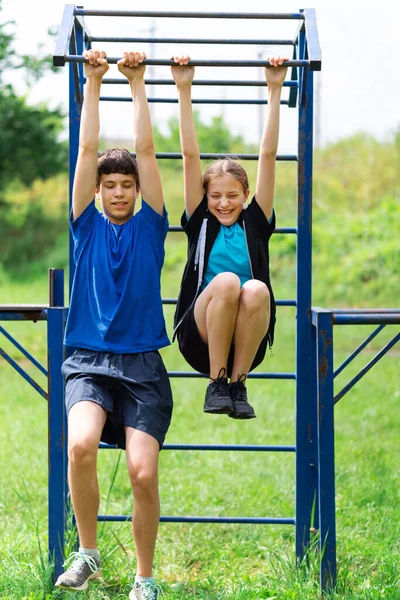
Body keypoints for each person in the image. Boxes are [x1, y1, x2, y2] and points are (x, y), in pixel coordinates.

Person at [55, 49, 172, 600]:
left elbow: (146, 149)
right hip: (88, 360)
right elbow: (84, 149)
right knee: (79, 446)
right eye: (111, 184)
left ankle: (145, 581)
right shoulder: (85, 227)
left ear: (137, 189)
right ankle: (88, 553)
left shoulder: (152, 227)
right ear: (98, 192)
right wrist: (94, 83)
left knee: (142, 475)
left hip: (143, 366)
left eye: (128, 183)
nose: (121, 190)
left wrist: (139, 83)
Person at [171, 54, 288, 420]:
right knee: (226, 281)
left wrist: (274, 88)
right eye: (215, 195)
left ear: (246, 195)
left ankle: (238, 385)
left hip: (245, 341)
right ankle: (216, 383)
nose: (223, 203)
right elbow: (191, 155)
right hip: (200, 336)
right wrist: (184, 87)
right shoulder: (200, 222)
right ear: (205, 198)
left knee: (255, 289)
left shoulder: (255, 222)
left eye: (232, 195)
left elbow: (267, 155)